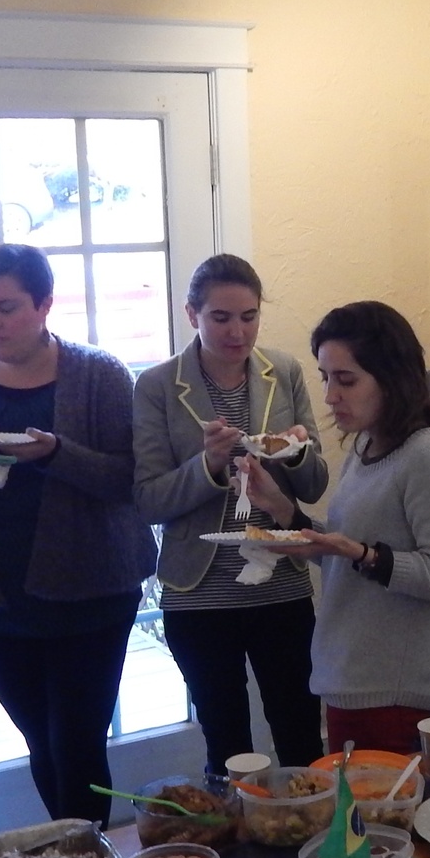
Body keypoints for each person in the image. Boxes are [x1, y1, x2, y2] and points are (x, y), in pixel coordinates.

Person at [0, 244, 156, 821]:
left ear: (44, 305)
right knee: (42, 744)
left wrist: (56, 453)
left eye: (6, 307)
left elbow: (129, 480)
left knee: (77, 745)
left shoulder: (99, 374)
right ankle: (76, 857)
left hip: (91, 595)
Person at [242, 301, 430, 756]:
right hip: (346, 677)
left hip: (392, 693)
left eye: (346, 380)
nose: (329, 396)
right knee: (352, 824)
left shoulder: (425, 455)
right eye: (325, 377)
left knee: (374, 823)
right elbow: (344, 550)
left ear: (392, 378)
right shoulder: (367, 443)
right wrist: (283, 511)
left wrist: (364, 555)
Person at [134, 254, 328, 772]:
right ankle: (241, 846)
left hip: (281, 586)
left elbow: (315, 483)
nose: (238, 332)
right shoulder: (157, 386)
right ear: (191, 314)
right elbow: (150, 499)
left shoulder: (283, 370)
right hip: (198, 595)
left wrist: (297, 451)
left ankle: (307, 844)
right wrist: (209, 465)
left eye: (249, 316)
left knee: (300, 730)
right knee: (227, 744)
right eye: (221, 317)